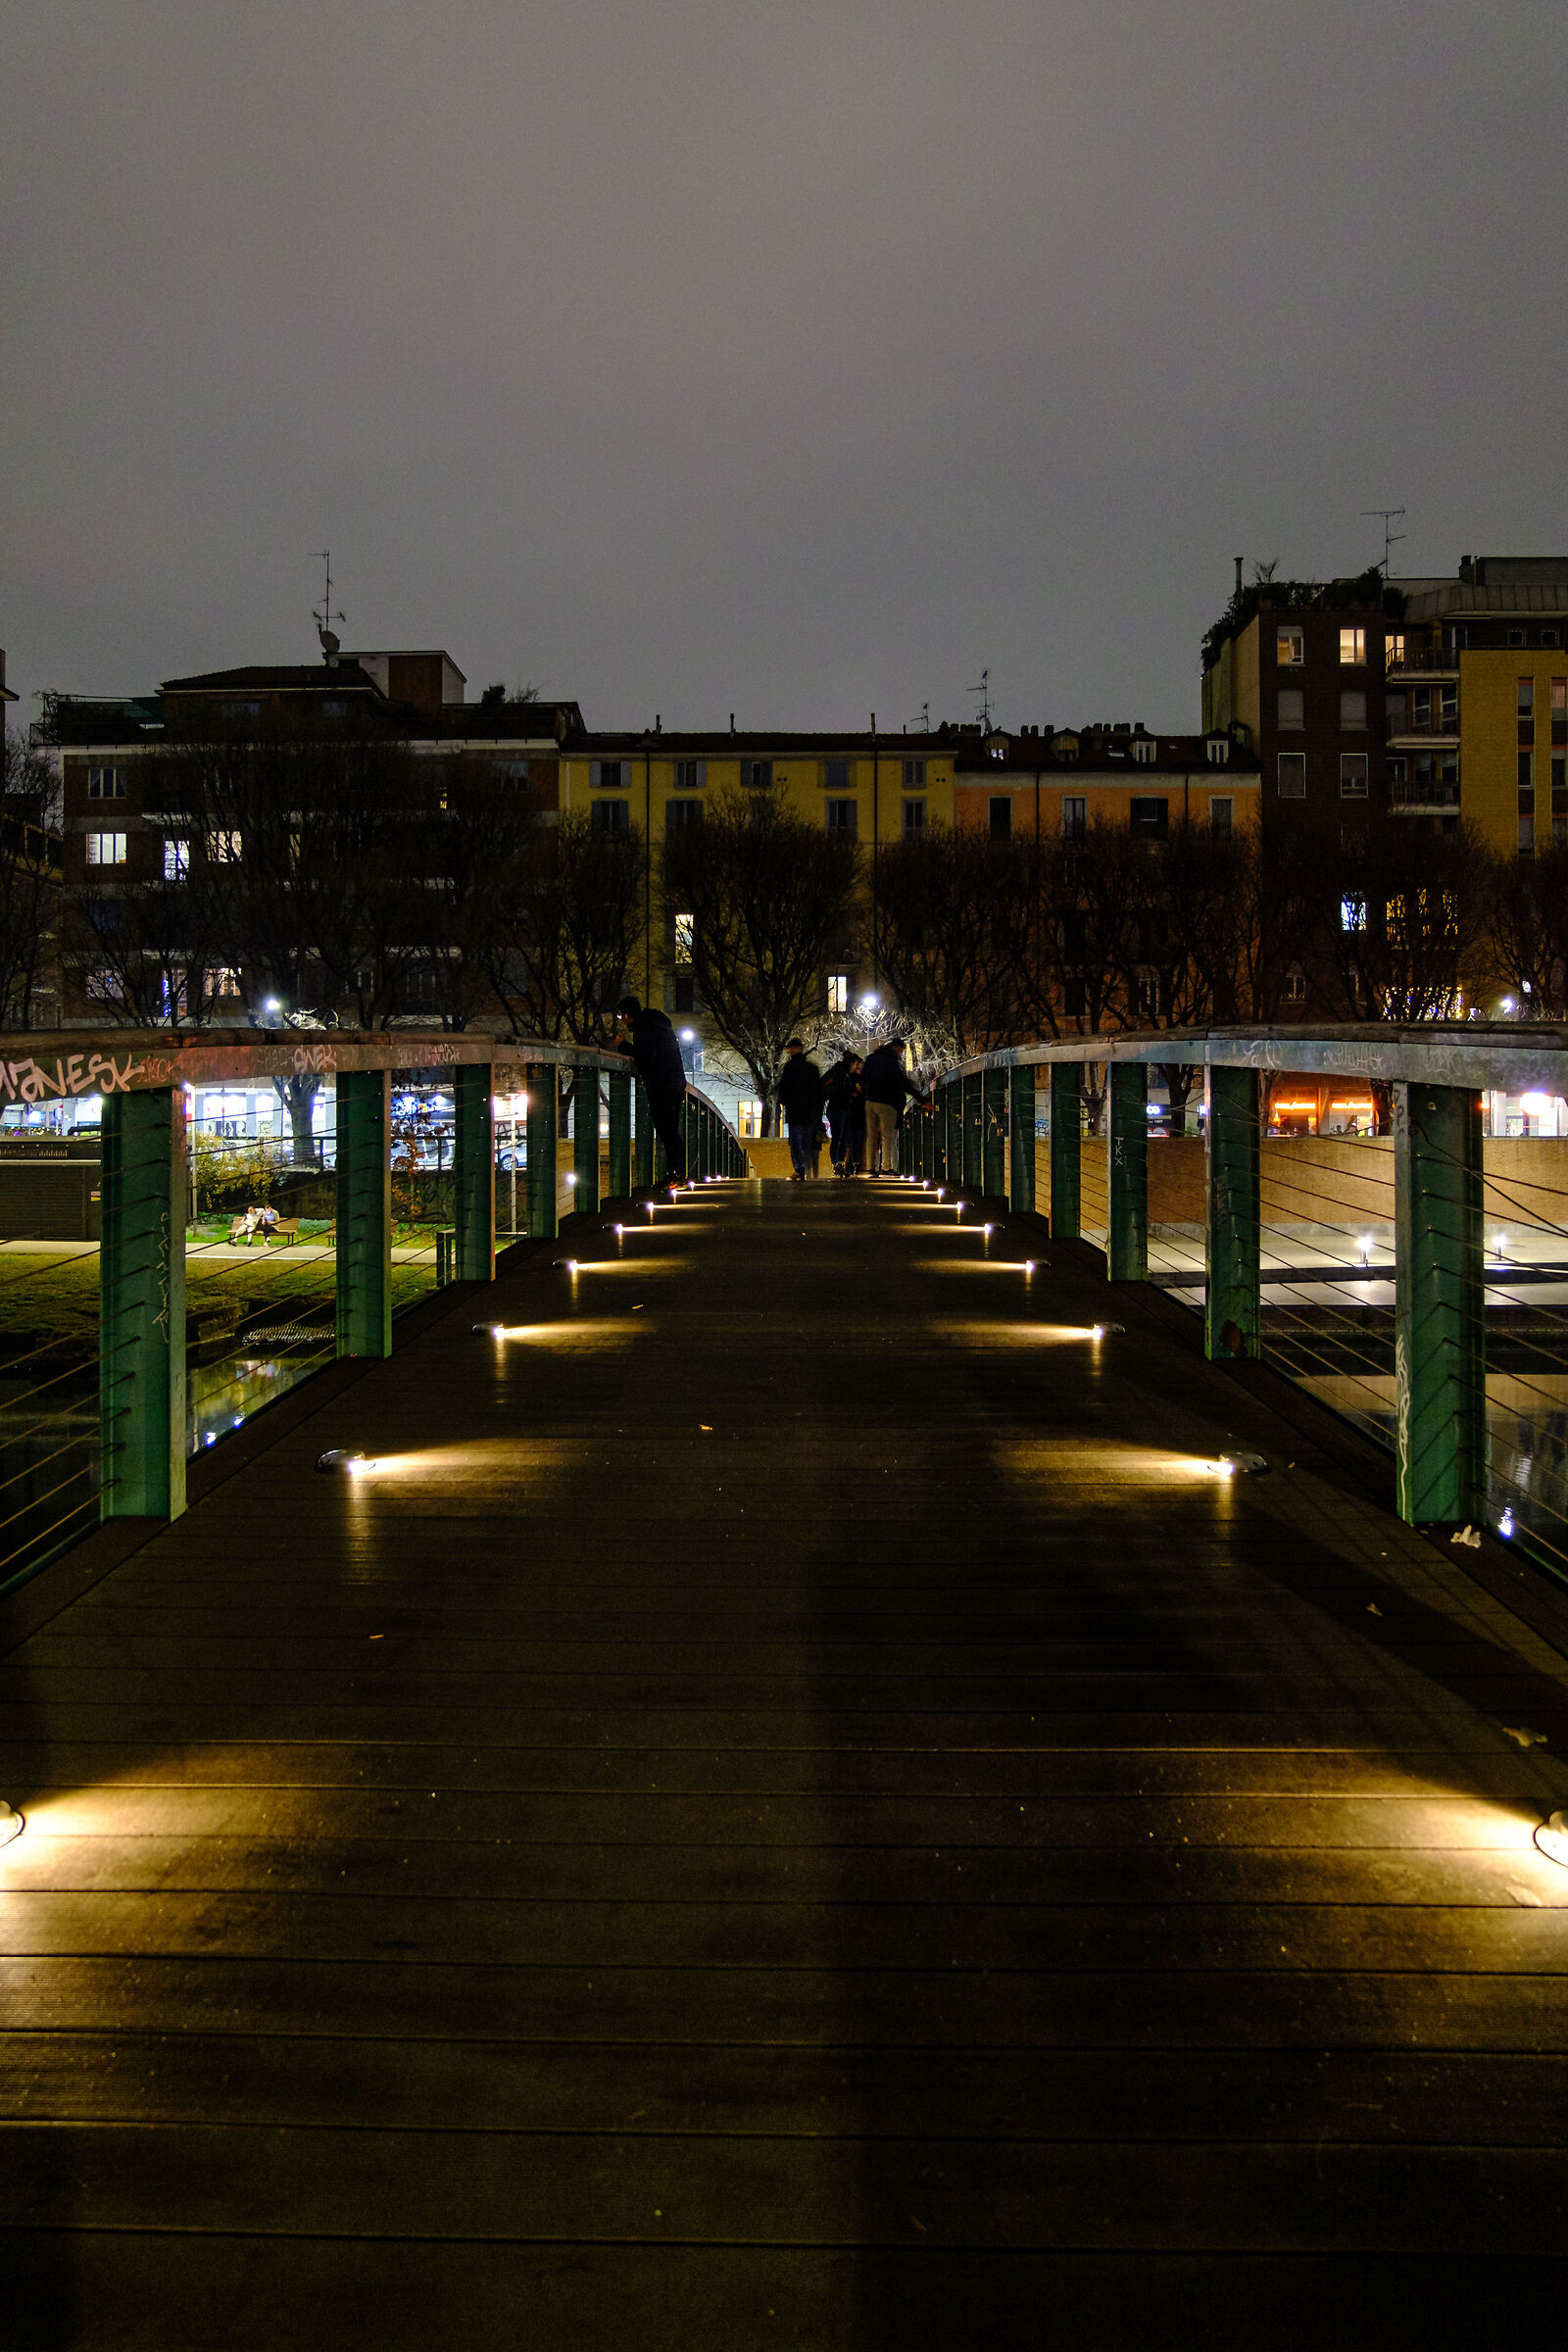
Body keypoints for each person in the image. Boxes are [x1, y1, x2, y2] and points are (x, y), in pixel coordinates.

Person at [615, 994, 688, 1185]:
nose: (623, 1022)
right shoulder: (659, 1023)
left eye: (622, 1017)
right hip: (676, 1081)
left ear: (627, 1015)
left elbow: (646, 1058)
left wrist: (623, 1046)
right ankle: (679, 1173)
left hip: (661, 1084)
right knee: (671, 1130)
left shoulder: (643, 1028)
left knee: (666, 1130)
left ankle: (676, 1174)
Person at [859, 1036, 931, 1177]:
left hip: (870, 1102)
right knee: (888, 1136)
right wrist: (921, 1099)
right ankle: (886, 1167)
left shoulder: (871, 1059)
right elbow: (902, 1082)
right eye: (901, 1051)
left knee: (871, 1136)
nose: (900, 1054)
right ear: (897, 1048)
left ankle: (870, 1167)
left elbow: (862, 1079)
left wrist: (867, 1094)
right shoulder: (892, 1062)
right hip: (887, 1102)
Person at [776, 1038, 825, 1182]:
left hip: (795, 1111)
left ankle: (799, 1169)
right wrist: (818, 1112)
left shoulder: (790, 1067)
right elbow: (819, 1093)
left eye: (790, 1048)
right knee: (806, 1142)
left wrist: (784, 1102)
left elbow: (783, 1089)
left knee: (795, 1141)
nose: (788, 1051)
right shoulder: (812, 1068)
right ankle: (806, 1169)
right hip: (809, 1112)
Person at [821, 1051, 864, 1178]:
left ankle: (839, 1163)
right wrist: (853, 1091)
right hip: (837, 1108)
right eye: (855, 1064)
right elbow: (841, 1090)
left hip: (842, 1109)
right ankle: (836, 1163)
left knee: (843, 1138)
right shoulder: (841, 1072)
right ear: (850, 1063)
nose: (855, 1067)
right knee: (838, 1137)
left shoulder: (843, 1072)